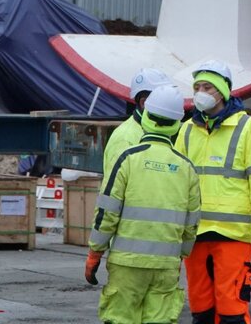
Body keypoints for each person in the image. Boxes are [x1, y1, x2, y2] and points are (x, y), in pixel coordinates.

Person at [85, 84, 201, 324]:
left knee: (121, 319)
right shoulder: (186, 168)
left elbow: (107, 211)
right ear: (177, 124)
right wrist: (179, 255)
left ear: (146, 115)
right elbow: (192, 223)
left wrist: (95, 251)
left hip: (127, 264)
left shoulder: (128, 159)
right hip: (166, 266)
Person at [176, 61, 251, 324]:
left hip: (233, 234)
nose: (200, 92)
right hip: (195, 233)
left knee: (232, 310)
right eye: (197, 86)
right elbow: (176, 183)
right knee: (201, 310)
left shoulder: (249, 128)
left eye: (207, 86)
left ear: (222, 91)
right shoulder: (187, 130)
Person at [104, 68, 174, 176]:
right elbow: (113, 187)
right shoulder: (125, 138)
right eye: (163, 98)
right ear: (143, 102)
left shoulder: (162, 131)